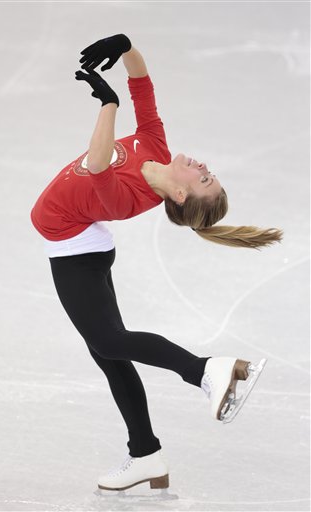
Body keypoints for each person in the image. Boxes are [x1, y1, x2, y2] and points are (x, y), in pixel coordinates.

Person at [30, 34, 283, 493]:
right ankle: (146, 453)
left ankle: (204, 370)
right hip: (84, 242)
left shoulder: (129, 200)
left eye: (203, 177)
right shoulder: (156, 145)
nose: (203, 165)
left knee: (109, 343)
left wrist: (107, 105)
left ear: (182, 194)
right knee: (109, 351)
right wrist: (126, 45)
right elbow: (142, 83)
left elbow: (98, 164)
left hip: (74, 247)